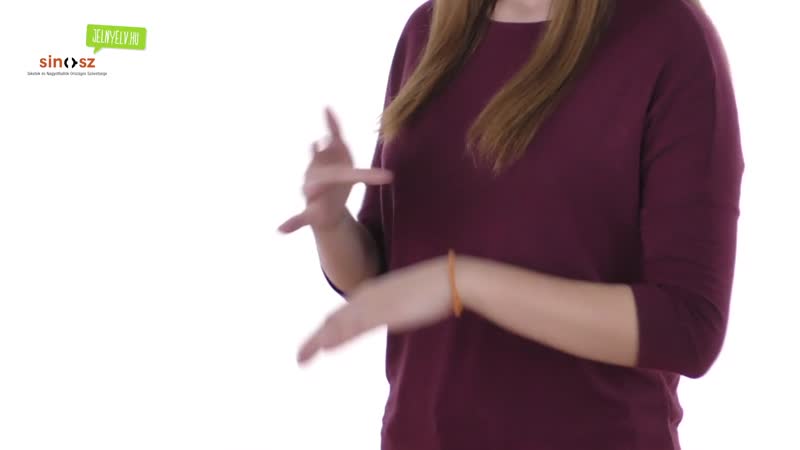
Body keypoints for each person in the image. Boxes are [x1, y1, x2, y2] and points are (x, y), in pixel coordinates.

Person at [279, 0, 745, 448]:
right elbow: (385, 283)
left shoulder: (667, 35)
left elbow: (687, 327)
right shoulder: (429, 31)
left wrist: (462, 282)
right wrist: (332, 223)